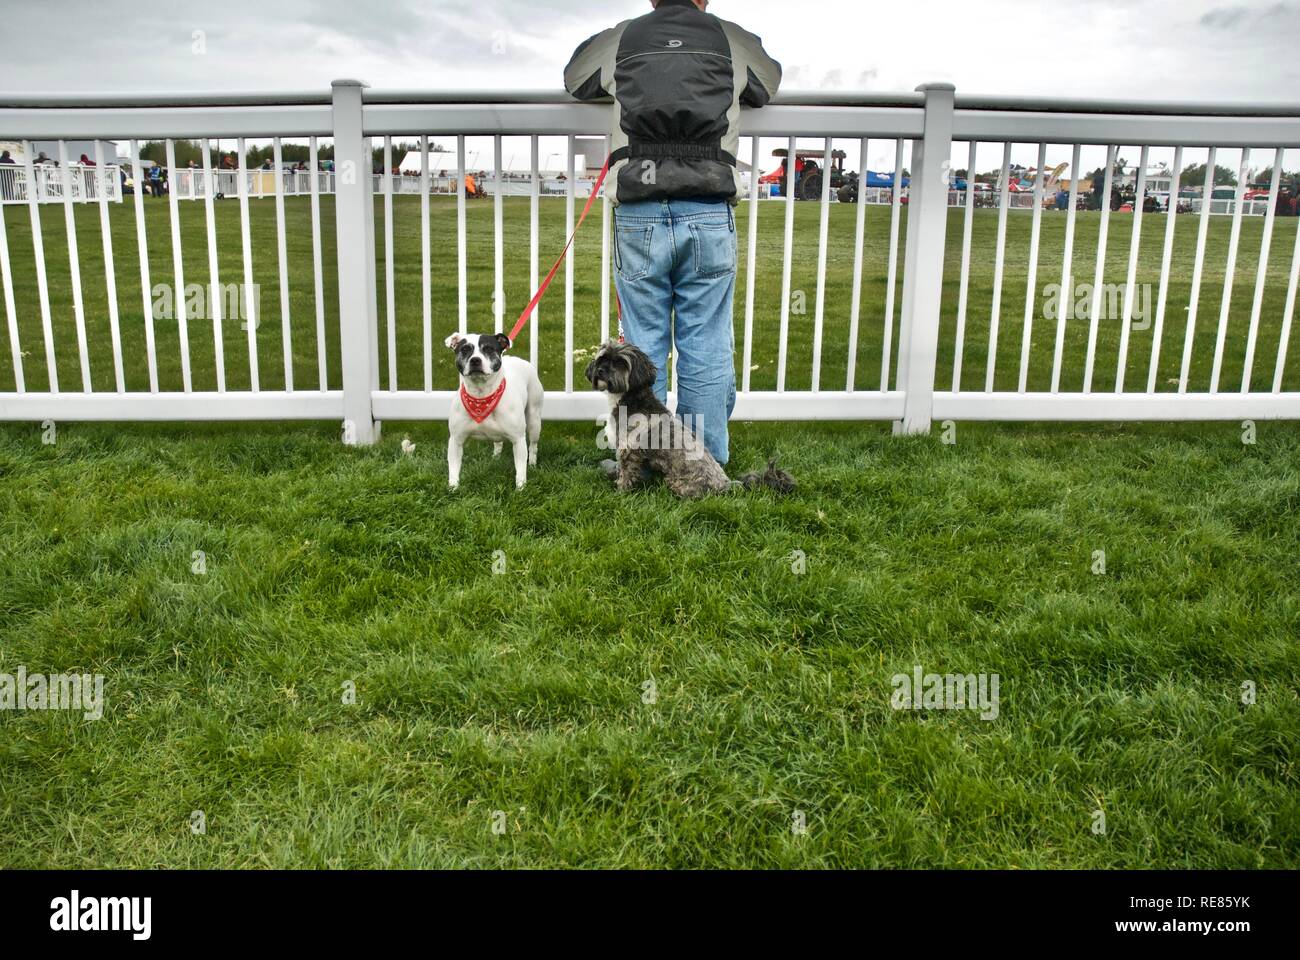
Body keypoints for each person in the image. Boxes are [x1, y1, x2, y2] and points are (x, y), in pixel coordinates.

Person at [564, 0, 781, 468]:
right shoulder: (729, 38)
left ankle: (643, 460)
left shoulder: (624, 37)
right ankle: (705, 459)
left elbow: (575, 77)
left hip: (639, 211)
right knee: (705, 341)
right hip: (706, 205)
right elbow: (769, 83)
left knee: (642, 344)